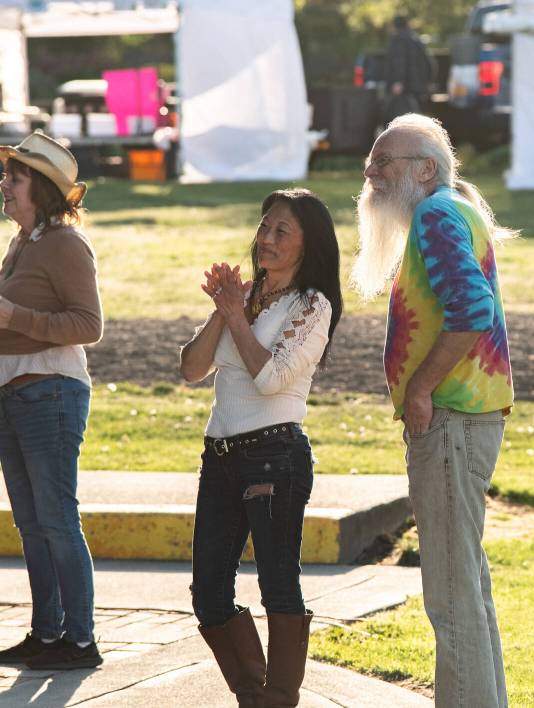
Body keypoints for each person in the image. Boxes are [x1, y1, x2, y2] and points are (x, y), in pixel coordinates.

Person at [352, 113, 514, 706]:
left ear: (425, 169)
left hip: (450, 419)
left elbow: (471, 311)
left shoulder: (436, 214)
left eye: (382, 162)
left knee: (450, 597)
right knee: (465, 588)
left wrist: (419, 389)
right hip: (466, 419)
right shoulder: (453, 209)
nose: (370, 173)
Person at [0, 131, 103, 670]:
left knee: (55, 519)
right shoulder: (27, 241)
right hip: (17, 395)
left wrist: (13, 317)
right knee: (33, 523)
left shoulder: (64, 243)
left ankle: (80, 642)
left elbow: (88, 325)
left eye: (15, 177)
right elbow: (18, 323)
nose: (4, 185)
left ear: (44, 189)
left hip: (50, 394)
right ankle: (48, 633)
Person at [180, 188, 342, 707]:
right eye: (263, 227)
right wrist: (225, 309)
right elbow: (190, 369)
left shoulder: (312, 304)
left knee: (277, 586)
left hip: (275, 454)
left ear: (306, 245)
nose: (266, 239)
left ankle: (277, 699)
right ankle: (255, 697)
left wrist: (235, 316)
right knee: (208, 592)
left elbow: (272, 377)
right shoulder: (246, 298)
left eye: (281, 231)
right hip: (220, 455)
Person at [384, 14, 435, 122]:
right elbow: (429, 62)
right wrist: (429, 81)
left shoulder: (398, 40)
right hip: (418, 86)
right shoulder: (416, 40)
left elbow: (400, 62)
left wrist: (398, 81)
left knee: (404, 119)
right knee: (417, 116)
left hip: (405, 89)